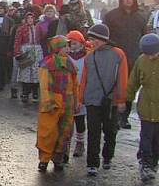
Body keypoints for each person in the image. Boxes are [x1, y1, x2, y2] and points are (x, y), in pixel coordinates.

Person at [79, 24, 129, 177]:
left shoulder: (118, 54)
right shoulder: (89, 57)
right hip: (92, 100)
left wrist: (121, 99)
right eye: (90, 39)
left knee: (110, 131)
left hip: (110, 101)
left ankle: (107, 156)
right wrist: (80, 98)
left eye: (94, 39)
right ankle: (92, 163)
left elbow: (122, 78)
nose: (92, 43)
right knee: (93, 132)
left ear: (103, 39)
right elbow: (84, 80)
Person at [104, 0, 147, 129]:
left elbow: (144, 36)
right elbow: (105, 35)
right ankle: (113, 116)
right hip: (116, 57)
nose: (128, 0)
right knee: (115, 87)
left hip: (134, 58)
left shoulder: (140, 17)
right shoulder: (112, 16)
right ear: (121, 0)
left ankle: (124, 117)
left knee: (129, 88)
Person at [36, 35, 77, 172]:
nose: (68, 49)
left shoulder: (71, 64)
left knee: (64, 131)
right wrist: (48, 102)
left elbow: (75, 84)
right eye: (65, 46)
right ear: (57, 48)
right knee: (48, 131)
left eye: (68, 46)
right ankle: (44, 159)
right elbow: (44, 85)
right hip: (53, 102)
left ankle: (58, 157)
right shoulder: (48, 64)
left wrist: (77, 100)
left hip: (68, 101)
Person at [126, 33, 159, 182]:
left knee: (157, 139)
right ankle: (145, 163)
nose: (150, 57)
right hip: (146, 106)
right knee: (146, 136)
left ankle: (153, 163)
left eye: (153, 54)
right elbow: (133, 82)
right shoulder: (141, 60)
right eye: (147, 54)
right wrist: (126, 100)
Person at [66, 30, 90, 158]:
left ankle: (80, 143)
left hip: (81, 92)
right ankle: (65, 144)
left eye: (74, 43)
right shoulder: (65, 57)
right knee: (67, 121)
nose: (72, 47)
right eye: (69, 44)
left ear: (81, 43)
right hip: (68, 92)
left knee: (80, 120)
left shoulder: (87, 57)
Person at [13, 10, 42, 104]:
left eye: (32, 18)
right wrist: (17, 52)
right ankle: (25, 92)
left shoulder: (38, 28)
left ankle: (35, 93)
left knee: (36, 72)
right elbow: (17, 41)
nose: (30, 20)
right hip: (25, 50)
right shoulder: (21, 28)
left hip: (37, 51)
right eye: (28, 18)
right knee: (25, 72)